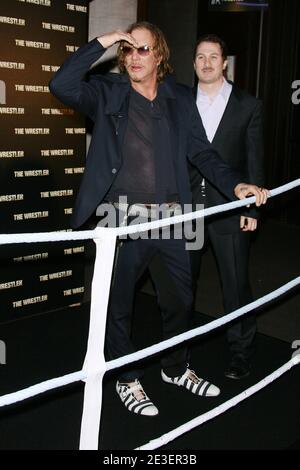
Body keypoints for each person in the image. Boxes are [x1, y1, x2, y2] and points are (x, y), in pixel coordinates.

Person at [49, 22, 268, 417]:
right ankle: (126, 377)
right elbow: (61, 84)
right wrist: (104, 40)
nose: (134, 56)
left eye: (143, 49)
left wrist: (236, 185)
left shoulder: (180, 98)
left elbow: (202, 153)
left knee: (181, 301)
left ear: (160, 56)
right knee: (119, 305)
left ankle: (175, 367)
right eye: (128, 50)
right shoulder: (107, 92)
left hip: (173, 216)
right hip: (120, 218)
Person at [189, 34, 265, 379]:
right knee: (181, 284)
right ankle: (178, 351)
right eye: (200, 56)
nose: (206, 62)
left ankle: (240, 351)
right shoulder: (179, 102)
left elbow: (255, 161)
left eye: (213, 56)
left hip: (231, 207)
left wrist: (252, 208)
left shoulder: (248, 105)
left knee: (235, 284)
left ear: (224, 63)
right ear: (194, 64)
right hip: (187, 208)